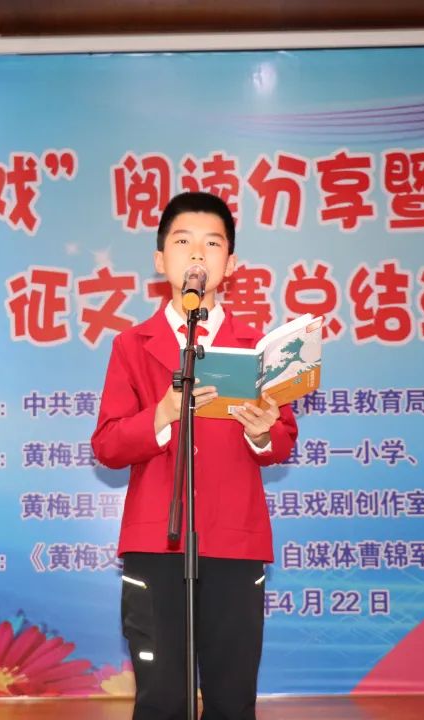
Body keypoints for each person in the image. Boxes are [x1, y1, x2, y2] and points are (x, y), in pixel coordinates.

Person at [91, 191, 299, 720]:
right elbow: (108, 445)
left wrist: (261, 432)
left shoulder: (259, 348)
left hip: (235, 541)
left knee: (232, 700)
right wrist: (162, 414)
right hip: (157, 543)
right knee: (162, 700)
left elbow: (282, 441)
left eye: (213, 243)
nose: (198, 255)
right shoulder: (132, 345)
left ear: (231, 263)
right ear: (161, 260)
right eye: (183, 242)